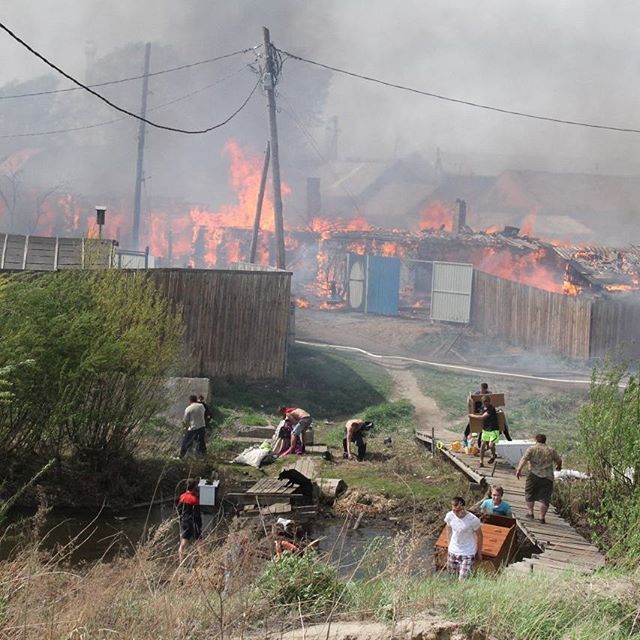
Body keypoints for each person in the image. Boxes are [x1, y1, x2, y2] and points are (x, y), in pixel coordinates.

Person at [515, 433, 562, 524]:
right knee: (544, 497)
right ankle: (542, 517)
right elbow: (559, 460)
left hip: (534, 474)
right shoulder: (551, 450)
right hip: (548, 477)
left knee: (529, 493)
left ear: (536, 440)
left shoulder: (532, 449)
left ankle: (530, 512)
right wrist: (559, 467)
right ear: (545, 440)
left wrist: (519, 469)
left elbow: (524, 459)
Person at [444, 496, 483, 581]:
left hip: (467, 553)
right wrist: (449, 545)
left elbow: (480, 535)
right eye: (453, 510)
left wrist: (479, 552)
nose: (455, 513)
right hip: (453, 551)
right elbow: (448, 529)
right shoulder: (450, 515)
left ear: (463, 508)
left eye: (457, 511)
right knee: (451, 579)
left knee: (463, 580)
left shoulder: (473, 520)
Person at [469, 395, 499, 468]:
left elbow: (482, 417)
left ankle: (493, 455)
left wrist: (472, 416)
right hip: (485, 429)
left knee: (491, 445)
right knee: (482, 445)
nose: (485, 403)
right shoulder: (483, 407)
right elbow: (478, 412)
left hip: (493, 429)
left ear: (489, 401)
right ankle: (481, 462)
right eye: (484, 402)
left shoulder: (491, 408)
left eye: (486, 402)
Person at [177, 478, 202, 563]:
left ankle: (181, 563)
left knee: (183, 544)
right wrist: (200, 525)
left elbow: (179, 510)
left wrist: (182, 521)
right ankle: (203, 562)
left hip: (185, 522)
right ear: (194, 487)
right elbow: (197, 514)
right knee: (199, 543)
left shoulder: (182, 496)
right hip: (193, 522)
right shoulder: (194, 499)